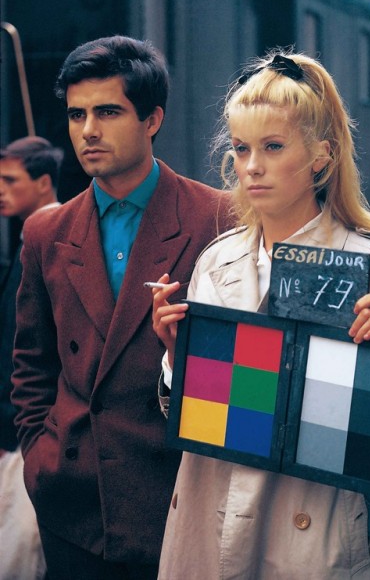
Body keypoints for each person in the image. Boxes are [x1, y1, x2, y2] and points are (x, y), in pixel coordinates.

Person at [151, 49, 370, 579]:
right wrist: (177, 356)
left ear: (322, 155)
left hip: (318, 525)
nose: (252, 165)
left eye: (273, 147)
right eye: (241, 148)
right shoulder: (215, 262)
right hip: (213, 512)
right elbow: (202, 416)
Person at [10, 36, 232, 580]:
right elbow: (32, 364)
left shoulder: (218, 219)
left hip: (177, 502)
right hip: (72, 507)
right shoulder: (45, 231)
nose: (88, 130)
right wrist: (40, 457)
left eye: (107, 112)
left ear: (152, 119)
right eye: (77, 114)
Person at [0, 135, 63, 580]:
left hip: (34, 431)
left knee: (22, 556)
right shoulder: (27, 242)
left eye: (10, 180)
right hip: (17, 429)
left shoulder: (54, 244)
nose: (0, 190)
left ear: (43, 183)